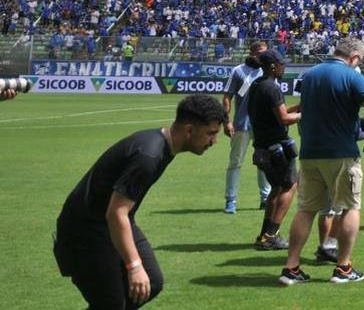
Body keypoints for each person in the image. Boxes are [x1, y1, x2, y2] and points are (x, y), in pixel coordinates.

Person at [53, 95, 226, 309]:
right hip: (86, 231)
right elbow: (116, 213)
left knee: (151, 282)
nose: (214, 141)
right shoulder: (148, 156)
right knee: (111, 303)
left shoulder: (162, 146)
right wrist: (134, 266)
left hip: (110, 222)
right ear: (189, 130)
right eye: (211, 134)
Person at [279, 38, 364, 286]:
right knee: (350, 207)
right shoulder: (351, 75)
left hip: (310, 152)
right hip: (341, 152)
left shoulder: (311, 74)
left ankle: (291, 267)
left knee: (305, 209)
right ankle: (343, 267)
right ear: (355, 57)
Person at [246, 49, 301, 251]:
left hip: (262, 146)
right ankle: (271, 235)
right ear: (272, 66)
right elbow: (284, 119)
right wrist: (306, 114)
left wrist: (300, 107)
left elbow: (281, 112)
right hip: (276, 146)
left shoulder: (257, 85)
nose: (283, 67)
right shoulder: (271, 88)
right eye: (281, 64)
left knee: (276, 189)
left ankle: (264, 235)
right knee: (289, 186)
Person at [222, 40, 270, 214]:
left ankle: (265, 198)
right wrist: (226, 120)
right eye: (259, 53)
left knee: (264, 162)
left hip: (263, 125)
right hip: (242, 124)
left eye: (265, 53)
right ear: (252, 53)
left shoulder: (269, 71)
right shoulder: (238, 71)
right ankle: (231, 200)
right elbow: (227, 97)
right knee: (235, 162)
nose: (262, 56)